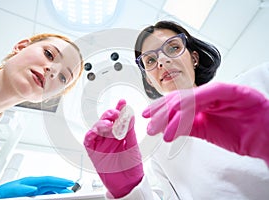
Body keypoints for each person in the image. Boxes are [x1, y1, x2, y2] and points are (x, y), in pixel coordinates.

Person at [84, 21, 269, 200]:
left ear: (194, 58)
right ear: (149, 79)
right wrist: (128, 190)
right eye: (150, 60)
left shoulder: (255, 84)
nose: (162, 61)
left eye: (172, 48)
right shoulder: (161, 150)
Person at [0, 33, 84, 199]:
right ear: (21, 47)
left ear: (49, 97)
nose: (53, 70)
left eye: (63, 77)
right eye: (49, 54)